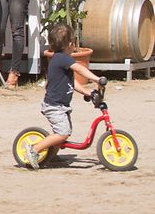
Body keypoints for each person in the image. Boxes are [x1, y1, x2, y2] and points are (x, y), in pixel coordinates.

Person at [22, 22, 104, 170]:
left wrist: (87, 92)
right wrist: (97, 79)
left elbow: (71, 83)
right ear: (71, 44)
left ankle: (51, 156)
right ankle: (34, 149)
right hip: (54, 106)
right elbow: (80, 69)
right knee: (62, 133)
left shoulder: (60, 60)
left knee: (63, 132)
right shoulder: (62, 58)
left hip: (61, 105)